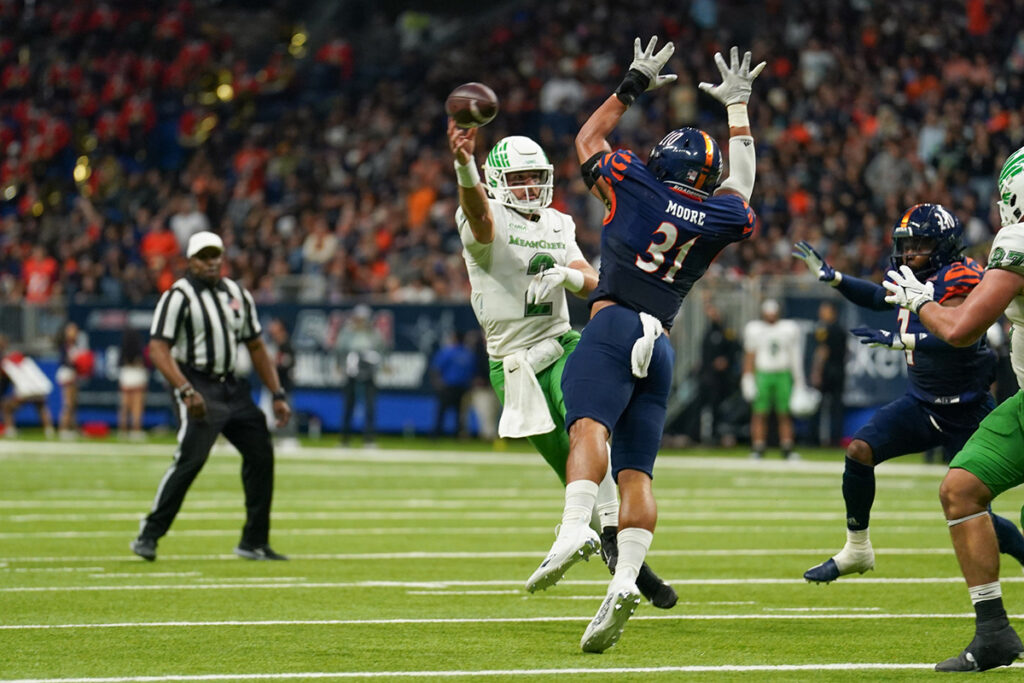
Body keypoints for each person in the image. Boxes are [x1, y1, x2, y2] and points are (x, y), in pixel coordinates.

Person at [525, 39, 762, 652]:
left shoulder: (635, 184)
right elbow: (742, 185)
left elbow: (586, 142)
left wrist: (632, 84)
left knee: (587, 432)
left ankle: (576, 526)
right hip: (660, 343)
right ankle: (626, 577)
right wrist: (738, 109)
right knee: (637, 474)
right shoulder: (717, 216)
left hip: (613, 324)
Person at [447, 102, 676, 609]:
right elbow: (481, 214)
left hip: (564, 343)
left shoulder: (557, 222)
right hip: (513, 365)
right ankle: (620, 555)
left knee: (590, 441)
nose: (530, 187)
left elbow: (595, 281)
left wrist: (572, 277)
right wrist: (464, 166)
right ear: (497, 180)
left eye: (536, 177)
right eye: (520, 178)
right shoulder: (483, 218)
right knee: (571, 473)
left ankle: (607, 546)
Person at [792, 204, 1024, 586]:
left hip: (967, 409)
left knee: (976, 512)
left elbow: (960, 335)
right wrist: (835, 278)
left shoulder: (963, 275)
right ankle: (857, 547)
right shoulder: (913, 275)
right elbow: (877, 297)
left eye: (920, 243)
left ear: (944, 245)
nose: (910, 251)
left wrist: (904, 340)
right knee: (859, 450)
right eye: (906, 243)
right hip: (921, 402)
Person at [882, 146, 1024, 672]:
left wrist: (920, 302)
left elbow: (962, 331)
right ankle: (993, 633)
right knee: (961, 489)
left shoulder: (1018, 240)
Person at [130, 231, 292, 562]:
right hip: (198, 383)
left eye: (215, 254)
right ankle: (149, 534)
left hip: (233, 386)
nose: (211, 262)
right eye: (204, 256)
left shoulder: (236, 293)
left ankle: (254, 541)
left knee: (261, 454)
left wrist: (276, 392)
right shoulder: (178, 295)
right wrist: (185, 389)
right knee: (190, 460)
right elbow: (159, 348)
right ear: (190, 261)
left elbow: (257, 346)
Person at [741, 298, 804, 460]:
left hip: (783, 373)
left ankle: (787, 447)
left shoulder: (788, 329)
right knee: (759, 413)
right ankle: (758, 447)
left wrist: (799, 381)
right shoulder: (755, 329)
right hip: (763, 373)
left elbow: (795, 356)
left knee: (784, 413)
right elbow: (750, 355)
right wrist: (747, 377)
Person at [335, 304, 385, 446]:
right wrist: (340, 365)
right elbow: (339, 350)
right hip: (351, 372)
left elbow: (381, 351)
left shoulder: (374, 334)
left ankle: (369, 439)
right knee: (348, 405)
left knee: (370, 405)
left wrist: (379, 365)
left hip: (369, 372)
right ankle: (345, 439)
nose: (361, 321)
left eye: (364, 318)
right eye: (359, 318)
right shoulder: (347, 333)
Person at [697, 302, 742, 446]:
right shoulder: (708, 332)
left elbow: (736, 348)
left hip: (721, 378)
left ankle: (716, 434)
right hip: (707, 376)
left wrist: (726, 360)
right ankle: (701, 435)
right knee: (704, 406)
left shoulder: (726, 332)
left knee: (718, 407)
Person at [0, 335, 54, 438]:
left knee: (6, 408)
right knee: (41, 407)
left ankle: (10, 429)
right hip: (38, 388)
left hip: (25, 390)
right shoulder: (17, 355)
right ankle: (49, 430)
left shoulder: (6, 360)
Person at [810, 300, 847, 447]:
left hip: (828, 371)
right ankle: (835, 440)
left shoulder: (825, 330)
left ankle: (814, 439)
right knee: (836, 407)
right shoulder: (841, 330)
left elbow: (822, 352)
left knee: (819, 406)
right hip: (839, 370)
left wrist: (816, 372)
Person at [429, 330, 476, 438]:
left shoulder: (447, 351)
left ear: (454, 338)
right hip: (462, 387)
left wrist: (438, 383)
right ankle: (457, 435)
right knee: (459, 413)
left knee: (442, 412)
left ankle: (436, 435)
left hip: (448, 386)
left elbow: (435, 368)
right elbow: (472, 371)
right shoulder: (468, 353)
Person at [55, 321, 92, 439]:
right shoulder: (64, 345)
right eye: (72, 330)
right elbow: (64, 361)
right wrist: (76, 361)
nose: (74, 332)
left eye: (75, 330)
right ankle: (63, 428)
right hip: (66, 373)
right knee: (68, 403)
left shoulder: (75, 345)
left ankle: (73, 428)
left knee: (74, 404)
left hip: (73, 374)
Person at [117, 328, 148, 440]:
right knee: (137, 405)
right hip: (137, 374)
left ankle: (123, 430)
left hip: (126, 375)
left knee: (125, 405)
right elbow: (142, 361)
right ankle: (136, 430)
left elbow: (120, 362)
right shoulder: (139, 347)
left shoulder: (123, 348)